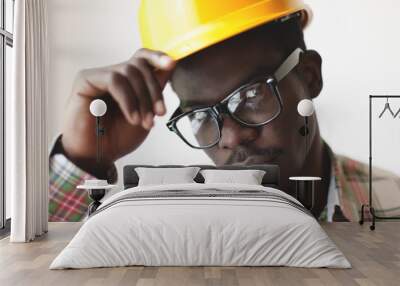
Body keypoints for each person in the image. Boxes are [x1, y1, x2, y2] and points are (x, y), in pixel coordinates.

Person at [49, 0, 400, 222]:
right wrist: (86, 157)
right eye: (200, 115)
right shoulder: (171, 225)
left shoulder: (393, 208)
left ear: (309, 77)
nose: (231, 138)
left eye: (250, 95)